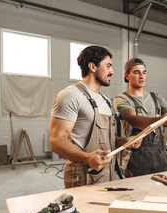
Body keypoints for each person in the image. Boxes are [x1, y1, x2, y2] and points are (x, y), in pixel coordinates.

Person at [50, 46, 140, 188]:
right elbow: (56, 141)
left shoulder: (105, 100)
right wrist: (86, 158)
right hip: (84, 175)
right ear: (92, 66)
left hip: (110, 172)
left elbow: (107, 138)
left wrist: (124, 141)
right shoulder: (70, 95)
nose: (112, 72)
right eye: (108, 66)